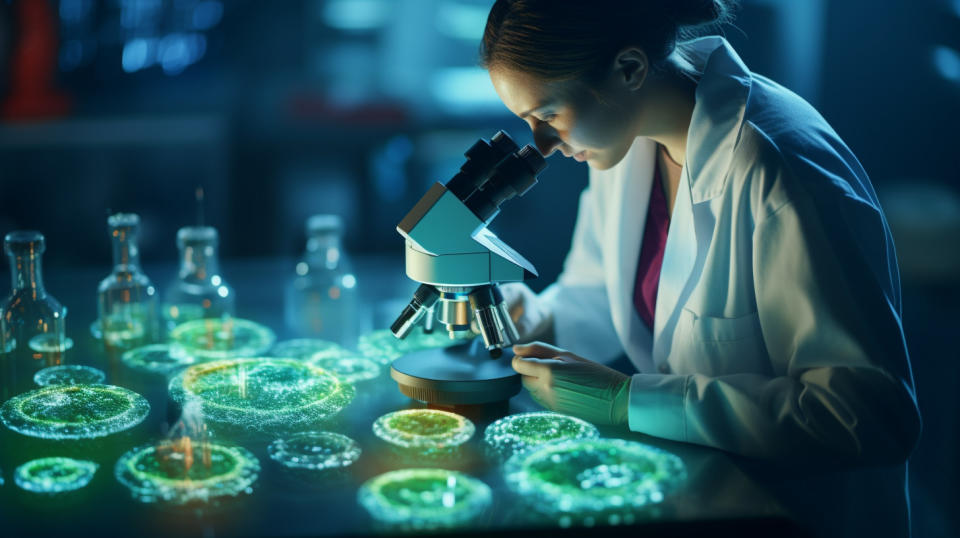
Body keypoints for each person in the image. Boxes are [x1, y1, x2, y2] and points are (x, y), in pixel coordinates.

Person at [480, 1, 922, 536]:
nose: (542, 145)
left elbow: (867, 415)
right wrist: (536, 317)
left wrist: (628, 402)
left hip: (799, 512)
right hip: (705, 494)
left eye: (548, 115)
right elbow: (599, 291)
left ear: (629, 69)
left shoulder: (778, 168)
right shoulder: (623, 136)